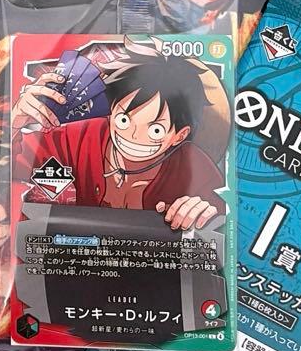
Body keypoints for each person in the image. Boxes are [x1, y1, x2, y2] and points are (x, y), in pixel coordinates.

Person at [13, 42, 226, 228]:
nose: (132, 135)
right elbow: (7, 167)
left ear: (179, 135)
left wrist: (203, 214)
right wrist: (13, 124)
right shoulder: (76, 138)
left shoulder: (195, 169)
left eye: (155, 130)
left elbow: (222, 221)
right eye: (123, 120)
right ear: (111, 109)